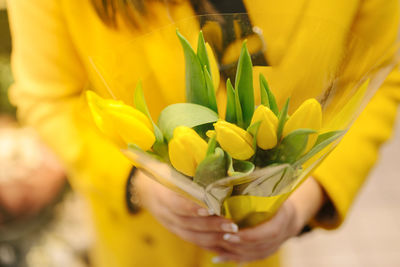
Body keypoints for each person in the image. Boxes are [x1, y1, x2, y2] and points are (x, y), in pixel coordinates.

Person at [7, 0, 400, 266]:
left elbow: (381, 72)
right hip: (141, 246)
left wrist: (304, 201)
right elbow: (49, 98)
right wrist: (135, 181)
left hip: (260, 246)